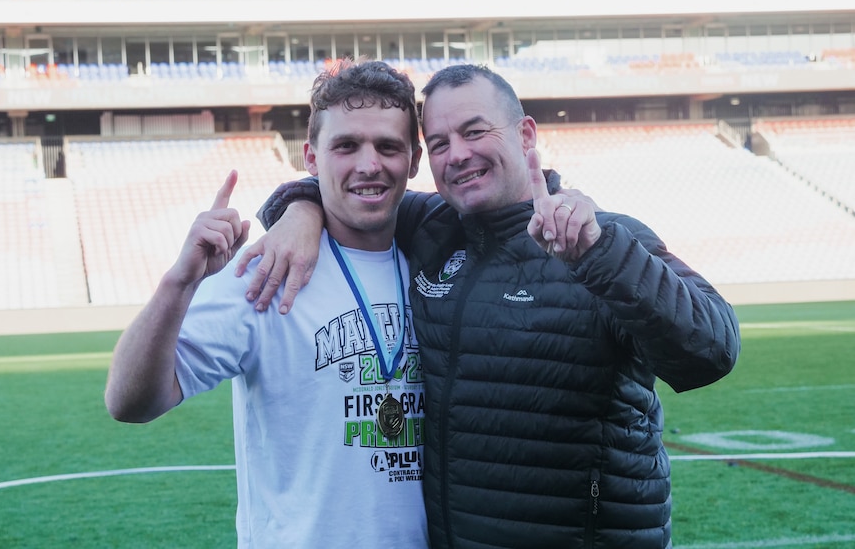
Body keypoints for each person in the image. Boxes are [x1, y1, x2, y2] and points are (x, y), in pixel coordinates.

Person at [238, 63, 741, 549]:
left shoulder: (605, 237)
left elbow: (710, 352)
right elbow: (350, 188)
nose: (457, 154)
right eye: (438, 143)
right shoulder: (431, 225)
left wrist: (599, 252)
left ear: (525, 135)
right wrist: (300, 209)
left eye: (475, 132)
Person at [104, 60, 429, 548]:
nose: (369, 164)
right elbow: (130, 402)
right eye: (346, 145)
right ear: (311, 158)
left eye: (388, 146)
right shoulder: (263, 272)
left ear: (415, 159)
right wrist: (178, 283)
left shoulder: (438, 268)